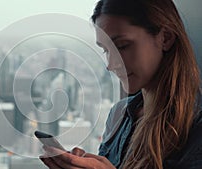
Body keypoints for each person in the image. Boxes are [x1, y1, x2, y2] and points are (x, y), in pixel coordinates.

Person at [39, 0, 202, 168]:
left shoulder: (197, 125)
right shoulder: (118, 115)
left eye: (122, 46)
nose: (111, 64)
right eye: (106, 50)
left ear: (165, 38)